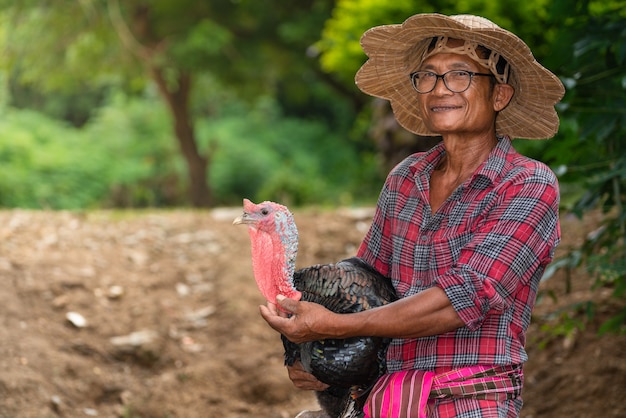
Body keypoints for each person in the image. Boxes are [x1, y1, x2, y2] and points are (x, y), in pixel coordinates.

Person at [260, 13, 564, 418]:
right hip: (383, 397)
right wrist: (312, 352)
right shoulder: (406, 177)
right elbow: (366, 279)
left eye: (460, 75)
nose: (440, 89)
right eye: (428, 76)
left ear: (499, 96)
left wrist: (334, 327)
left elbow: (459, 301)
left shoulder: (526, 184)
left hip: (470, 401)